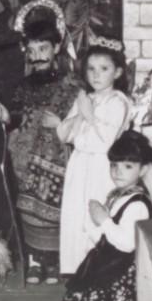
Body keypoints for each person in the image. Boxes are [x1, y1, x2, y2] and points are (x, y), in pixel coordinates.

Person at [0, 0, 79, 284]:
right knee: (29, 208)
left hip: (57, 157)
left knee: (55, 208)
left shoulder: (70, 85)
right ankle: (34, 260)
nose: (38, 55)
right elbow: (18, 115)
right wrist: (7, 117)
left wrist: (61, 124)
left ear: (56, 48)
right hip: (26, 157)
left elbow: (79, 120)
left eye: (43, 49)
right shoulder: (23, 86)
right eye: (32, 51)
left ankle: (53, 261)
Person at [58, 130, 152, 301]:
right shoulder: (117, 195)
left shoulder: (138, 203)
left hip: (125, 264)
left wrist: (104, 220)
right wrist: (93, 224)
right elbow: (104, 236)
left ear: (143, 170)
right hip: (109, 258)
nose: (118, 172)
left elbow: (127, 244)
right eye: (114, 166)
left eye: (128, 166)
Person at [56, 36, 134, 276]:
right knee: (75, 213)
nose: (96, 75)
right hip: (80, 164)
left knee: (94, 214)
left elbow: (104, 142)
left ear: (118, 72)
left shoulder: (118, 102)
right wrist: (80, 114)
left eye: (104, 69)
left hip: (101, 165)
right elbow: (63, 134)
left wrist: (88, 116)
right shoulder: (87, 98)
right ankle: (77, 270)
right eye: (91, 68)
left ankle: (99, 272)